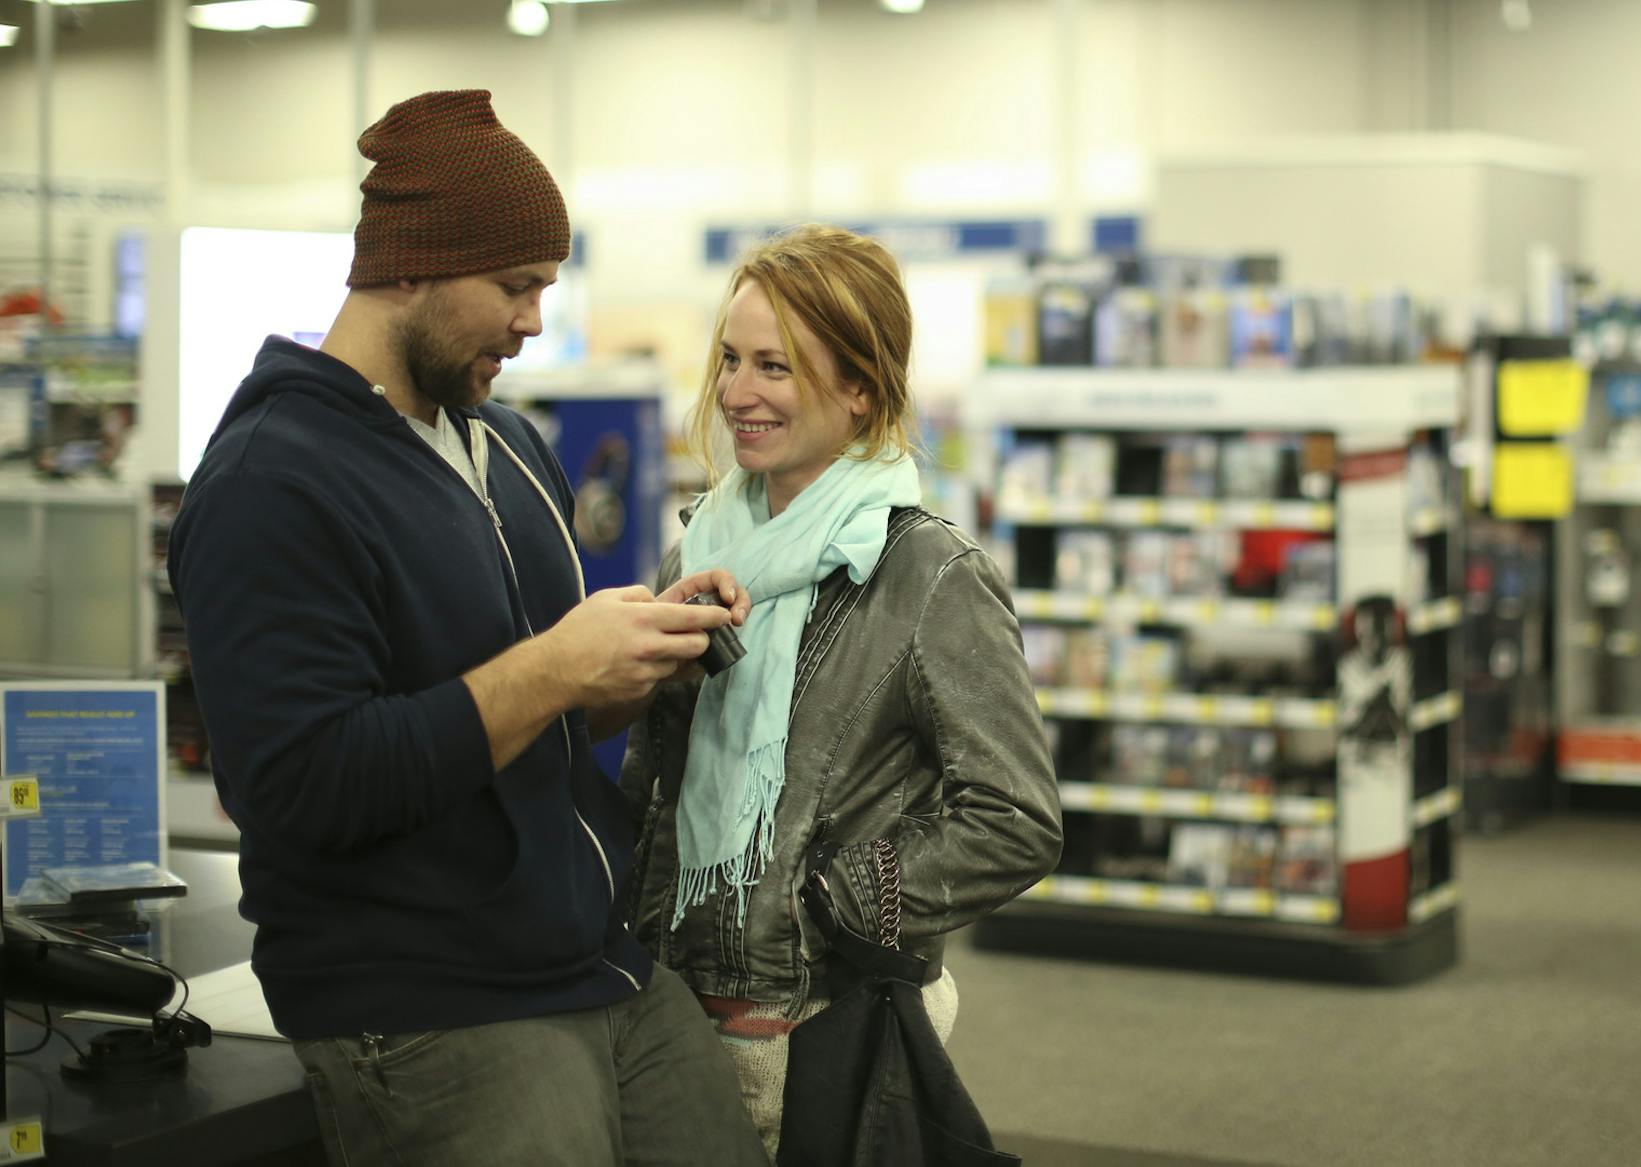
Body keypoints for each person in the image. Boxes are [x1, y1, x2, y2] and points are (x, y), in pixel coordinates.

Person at [168, 90, 769, 1167]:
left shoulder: (504, 443)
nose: (534, 320)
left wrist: (630, 665)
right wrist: (551, 666)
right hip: (428, 998)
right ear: (411, 266)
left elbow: (531, 722)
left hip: (597, 960)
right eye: (515, 286)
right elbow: (304, 786)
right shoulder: (274, 482)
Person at [619, 224, 1063, 1154]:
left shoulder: (929, 574)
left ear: (860, 387)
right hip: (671, 1028)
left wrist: (844, 894)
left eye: (775, 368)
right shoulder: (694, 554)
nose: (737, 393)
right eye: (731, 360)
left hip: (826, 1034)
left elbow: (1017, 814)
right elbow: (652, 782)